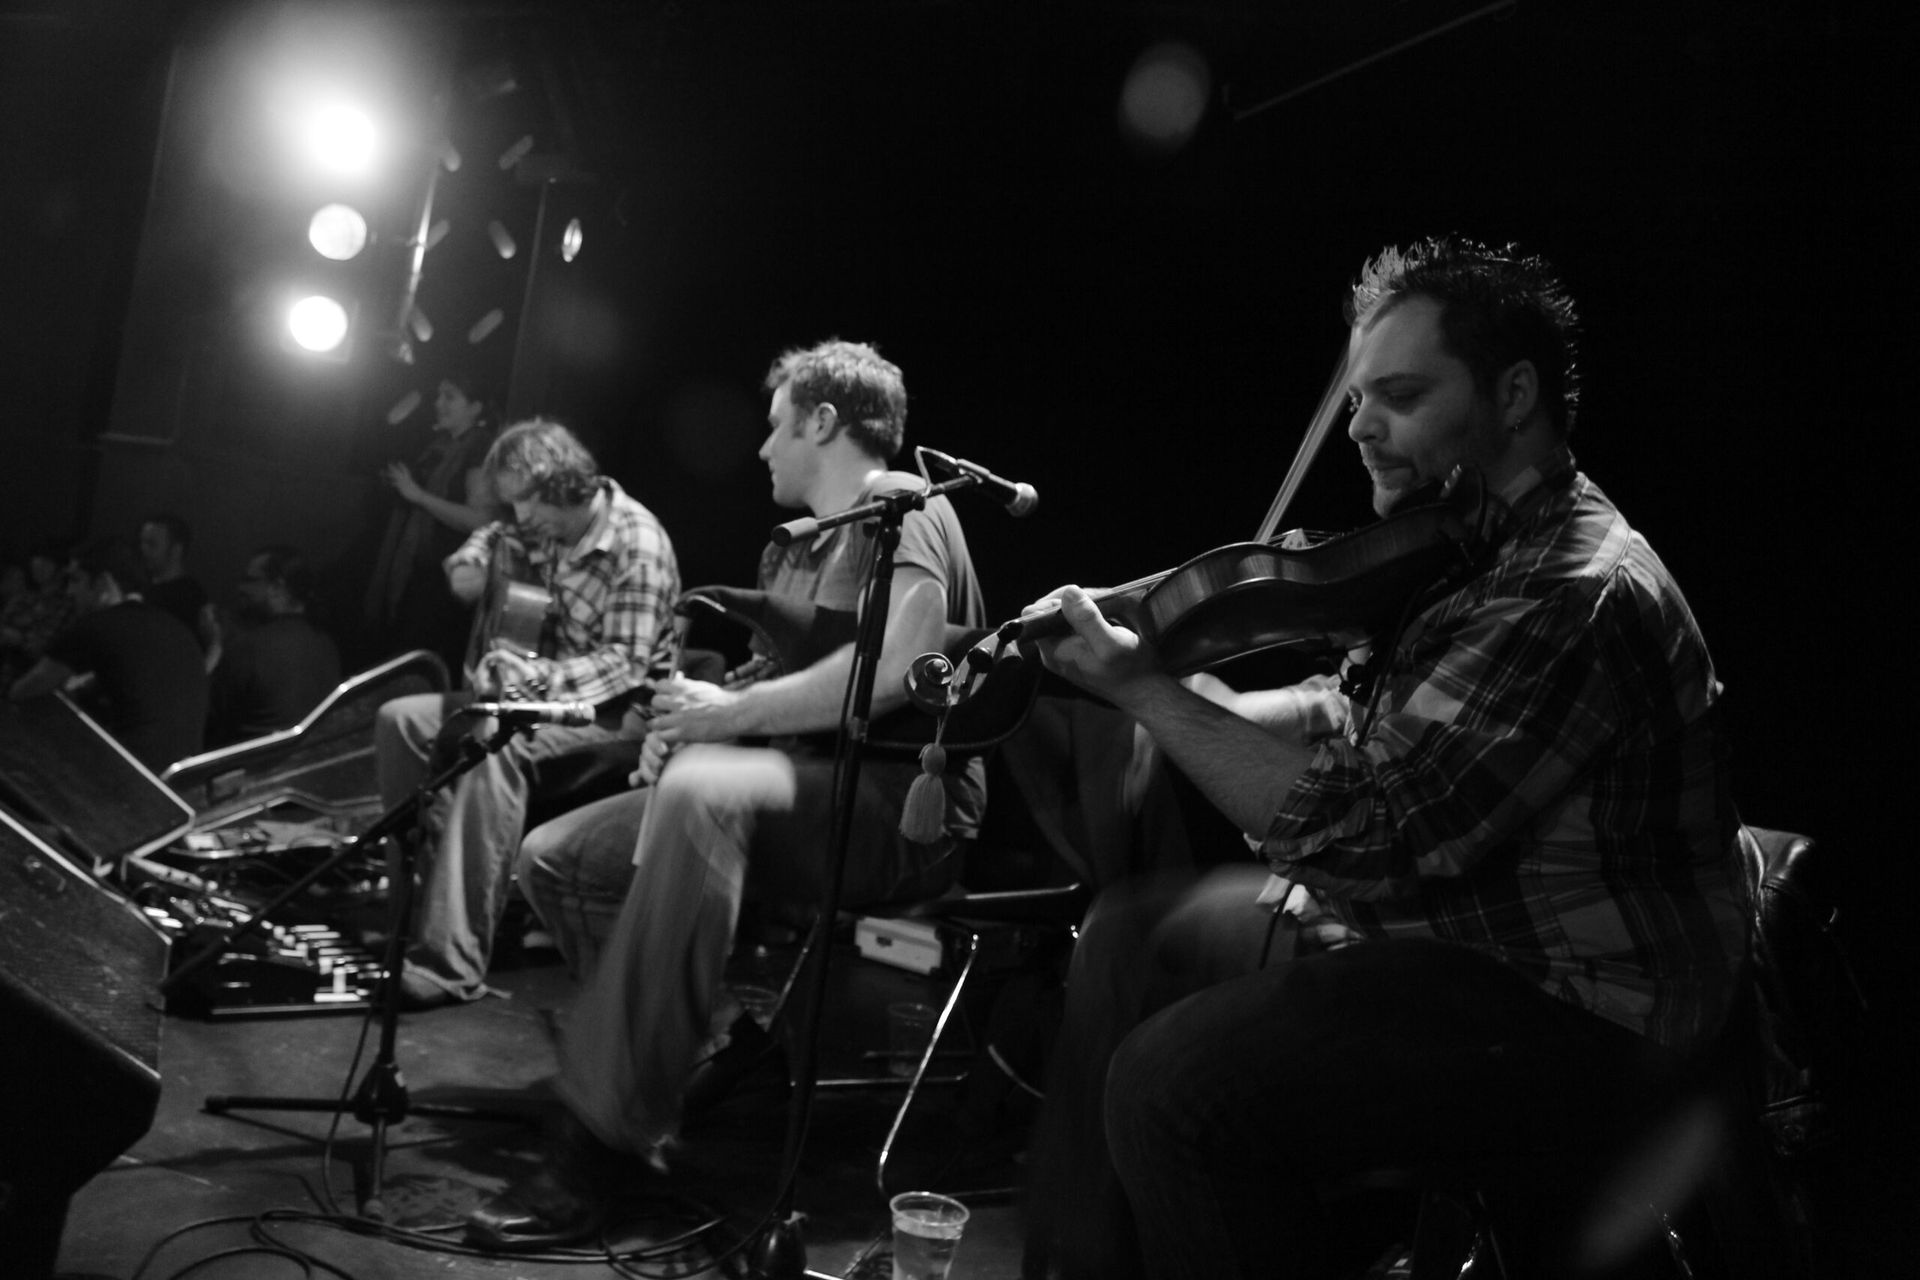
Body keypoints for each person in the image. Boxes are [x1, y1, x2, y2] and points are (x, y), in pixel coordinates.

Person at [1019, 238, 1747, 1280]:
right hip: (1456, 937)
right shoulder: (1460, 547)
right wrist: (1232, 707)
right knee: (1133, 940)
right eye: (1358, 398)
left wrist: (1150, 694)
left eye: (1400, 396)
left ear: (1515, 394)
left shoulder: (1571, 588)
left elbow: (1377, 833)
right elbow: (1367, 716)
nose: (1360, 428)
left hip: (1582, 1005)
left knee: (1174, 1088)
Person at [466, 338, 989, 1250]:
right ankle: (693, 1059)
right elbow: (772, 689)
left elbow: (901, 666)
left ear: (822, 421)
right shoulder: (795, 549)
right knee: (557, 858)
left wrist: (725, 718)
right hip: (796, 785)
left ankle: (605, 1134)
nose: (762, 447)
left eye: (777, 426)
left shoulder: (905, 504)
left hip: (897, 798)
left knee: (707, 788)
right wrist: (688, 719)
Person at [373, 417, 681, 1009]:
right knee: (401, 720)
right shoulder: (541, 523)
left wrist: (533, 683)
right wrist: (469, 559)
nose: (520, 515)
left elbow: (627, 665)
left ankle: (450, 964)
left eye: (527, 501)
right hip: (541, 697)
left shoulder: (637, 542)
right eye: (512, 502)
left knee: (494, 738)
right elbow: (494, 534)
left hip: (619, 714)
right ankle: (408, 925)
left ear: (564, 484)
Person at [8, 535, 208, 771]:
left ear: (103, 583)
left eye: (75, 580)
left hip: (130, 774)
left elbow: (25, 691)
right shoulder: (171, 626)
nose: (69, 591)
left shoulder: (97, 625)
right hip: (182, 775)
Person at [362, 372, 508, 674]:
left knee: (417, 665)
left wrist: (417, 495)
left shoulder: (480, 447)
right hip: (416, 573)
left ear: (475, 408)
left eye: (450, 397)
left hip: (444, 583)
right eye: (439, 396)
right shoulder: (440, 444)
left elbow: (480, 519)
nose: (438, 403)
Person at [207, 545, 344, 745]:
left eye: (249, 580)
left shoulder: (251, 648)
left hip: (253, 761)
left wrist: (214, 645)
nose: (240, 588)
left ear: (277, 588)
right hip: (310, 758)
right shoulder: (326, 644)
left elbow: (204, 716)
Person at [138, 513, 223, 673]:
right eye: (142, 542)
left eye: (152, 544)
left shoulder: (189, 597)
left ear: (176, 550)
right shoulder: (142, 587)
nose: (143, 549)